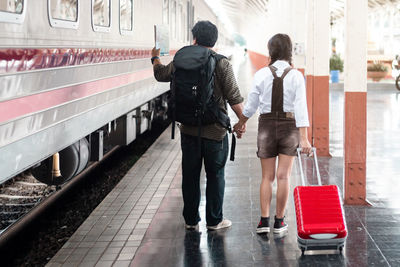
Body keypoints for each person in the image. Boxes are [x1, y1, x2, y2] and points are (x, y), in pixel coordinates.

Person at [151, 20, 245, 230]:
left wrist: (155, 58)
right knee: (215, 175)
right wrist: (242, 121)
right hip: (215, 132)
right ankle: (214, 220)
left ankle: (191, 221)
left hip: (188, 129)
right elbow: (234, 97)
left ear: (194, 38)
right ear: (215, 40)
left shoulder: (181, 60)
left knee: (190, 175)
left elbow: (160, 75)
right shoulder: (222, 63)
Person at [233, 33, 312, 234]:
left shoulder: (261, 74)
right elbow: (301, 107)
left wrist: (241, 123)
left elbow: (250, 106)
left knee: (267, 176)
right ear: (289, 51)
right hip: (289, 126)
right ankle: (279, 222)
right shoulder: (296, 76)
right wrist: (304, 138)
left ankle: (263, 222)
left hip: (267, 126)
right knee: (284, 176)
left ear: (271, 51)